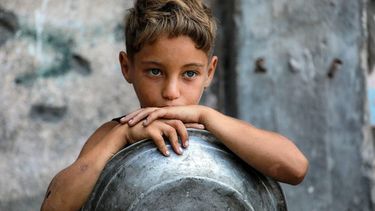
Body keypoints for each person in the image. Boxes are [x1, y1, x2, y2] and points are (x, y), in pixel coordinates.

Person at [41, 0, 309, 210]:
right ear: (127, 67)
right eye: (155, 72)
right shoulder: (116, 135)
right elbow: (54, 207)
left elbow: (295, 169)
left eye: (189, 74)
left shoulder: (222, 134)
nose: (171, 92)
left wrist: (206, 117)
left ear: (209, 72)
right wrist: (120, 136)